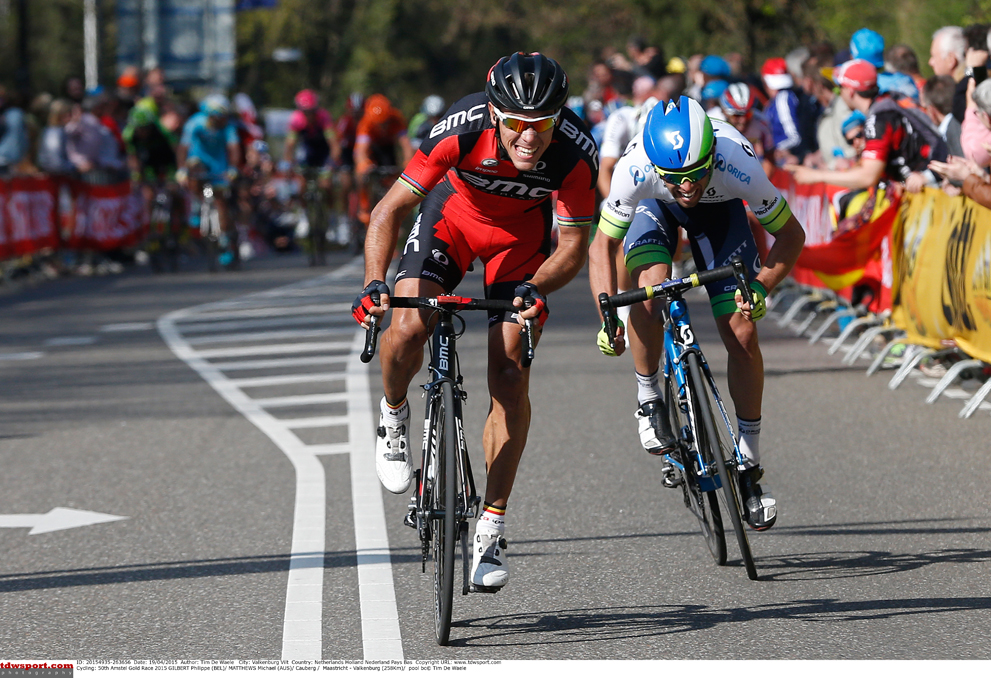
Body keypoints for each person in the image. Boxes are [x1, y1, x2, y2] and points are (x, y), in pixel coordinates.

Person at [352, 52, 597, 590]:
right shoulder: (459, 129)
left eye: (542, 125)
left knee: (509, 374)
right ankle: (394, 416)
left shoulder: (577, 153)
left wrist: (538, 288)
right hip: (452, 220)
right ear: (494, 114)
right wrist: (375, 283)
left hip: (520, 243)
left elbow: (574, 246)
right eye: (516, 125)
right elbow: (388, 211)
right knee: (410, 324)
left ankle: (490, 526)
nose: (529, 138)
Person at [589, 96, 807, 531]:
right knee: (650, 288)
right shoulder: (636, 168)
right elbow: (602, 246)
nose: (687, 187)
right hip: (652, 207)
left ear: (712, 156)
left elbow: (791, 235)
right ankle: (649, 396)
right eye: (677, 178)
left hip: (720, 211)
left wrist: (762, 285)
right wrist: (606, 314)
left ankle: (749, 461)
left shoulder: (735, 159)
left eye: (695, 174)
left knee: (742, 333)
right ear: (658, 167)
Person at [788, 59, 947, 192]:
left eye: (839, 88)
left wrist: (817, 176)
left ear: (850, 91)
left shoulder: (879, 119)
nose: (838, 93)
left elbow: (868, 176)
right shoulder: (889, 100)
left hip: (931, 185)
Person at [176, 94, 241, 262]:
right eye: (220, 116)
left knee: (220, 202)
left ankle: (225, 240)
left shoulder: (228, 127)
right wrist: (181, 169)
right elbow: (183, 147)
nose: (223, 120)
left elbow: (234, 148)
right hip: (198, 160)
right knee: (193, 168)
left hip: (219, 165)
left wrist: (233, 168)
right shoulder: (195, 122)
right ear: (212, 115)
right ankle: (197, 205)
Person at [353, 93, 414, 224]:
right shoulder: (365, 122)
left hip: (388, 148)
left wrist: (408, 161)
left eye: (385, 122)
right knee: (361, 173)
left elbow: (405, 144)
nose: (382, 126)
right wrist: (363, 164)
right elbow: (361, 150)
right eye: (379, 124)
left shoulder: (396, 118)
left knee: (393, 179)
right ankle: (364, 205)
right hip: (372, 149)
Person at [715, 82, 775, 177]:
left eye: (747, 114)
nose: (743, 120)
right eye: (737, 115)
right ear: (724, 111)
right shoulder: (712, 122)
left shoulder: (762, 124)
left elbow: (769, 158)